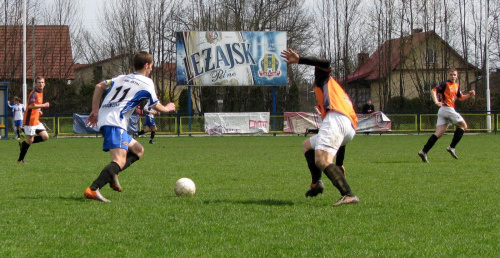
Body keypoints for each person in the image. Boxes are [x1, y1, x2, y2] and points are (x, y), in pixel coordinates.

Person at [84, 51, 176, 202]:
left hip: (106, 119)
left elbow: (99, 86)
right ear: (147, 65)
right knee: (119, 161)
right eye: (151, 66)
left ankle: (113, 174)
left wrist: (95, 110)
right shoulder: (146, 82)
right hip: (115, 122)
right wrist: (167, 108)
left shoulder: (121, 78)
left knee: (138, 150)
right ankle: (93, 189)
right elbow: (155, 105)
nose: (151, 69)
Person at [281, 49, 359, 207]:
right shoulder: (337, 92)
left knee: (322, 159)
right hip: (349, 127)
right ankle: (316, 183)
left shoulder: (323, 79)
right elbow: (340, 137)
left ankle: (348, 194)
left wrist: (299, 59)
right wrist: (339, 163)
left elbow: (325, 62)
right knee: (307, 146)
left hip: (336, 118)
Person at [418, 68, 475, 163]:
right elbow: (433, 90)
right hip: (447, 109)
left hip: (443, 111)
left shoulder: (456, 85)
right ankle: (451, 147)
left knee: (438, 133)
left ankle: (423, 151)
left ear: (457, 76)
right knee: (464, 126)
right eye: (451, 74)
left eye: (454, 75)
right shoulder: (445, 84)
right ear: (448, 75)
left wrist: (469, 95)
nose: (453, 76)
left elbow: (460, 98)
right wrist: (436, 101)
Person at [17, 77, 50, 164]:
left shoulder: (40, 93)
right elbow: (31, 106)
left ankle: (24, 143)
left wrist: (39, 111)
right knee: (30, 140)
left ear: (45, 84)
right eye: (39, 82)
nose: (41, 84)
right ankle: (20, 160)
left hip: (36, 120)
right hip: (30, 121)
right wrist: (43, 105)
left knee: (45, 137)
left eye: (42, 82)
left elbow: (36, 106)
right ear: (36, 84)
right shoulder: (34, 93)